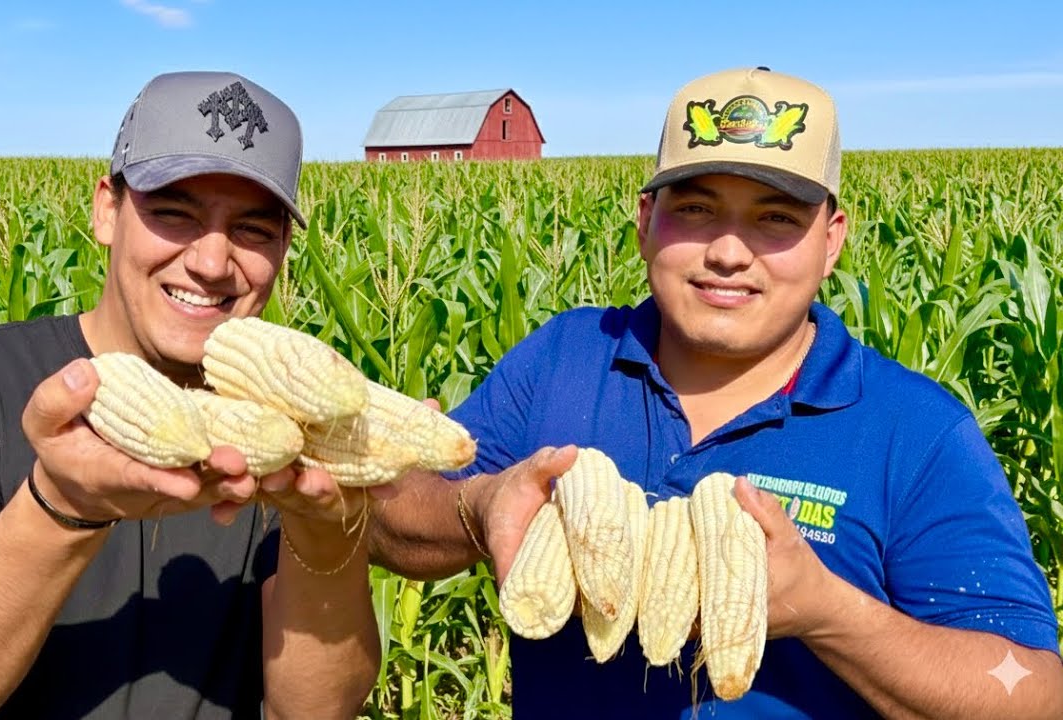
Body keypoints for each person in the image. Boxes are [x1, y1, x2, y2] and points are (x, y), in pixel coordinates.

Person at [369, 67, 1063, 718]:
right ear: (645, 220)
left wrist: (826, 611)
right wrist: (475, 506)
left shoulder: (913, 431)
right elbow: (391, 515)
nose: (729, 252)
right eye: (697, 209)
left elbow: (1034, 692)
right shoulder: (565, 359)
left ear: (832, 240)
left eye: (776, 218)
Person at [0, 71, 381, 720]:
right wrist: (61, 507)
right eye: (174, 214)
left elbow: (316, 711)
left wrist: (328, 536)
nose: (212, 262)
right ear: (107, 209)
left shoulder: (290, 428)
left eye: (252, 229)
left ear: (284, 248)